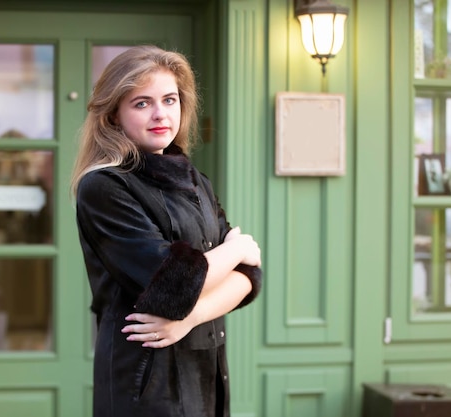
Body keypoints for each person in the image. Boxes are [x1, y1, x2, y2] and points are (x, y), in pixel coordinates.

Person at [70, 45, 263, 417]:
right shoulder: (104, 187)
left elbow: (249, 278)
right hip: (146, 380)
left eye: (169, 100)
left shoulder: (195, 180)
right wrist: (236, 250)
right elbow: (172, 285)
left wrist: (191, 316)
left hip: (206, 372)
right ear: (113, 116)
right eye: (141, 103)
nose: (160, 113)